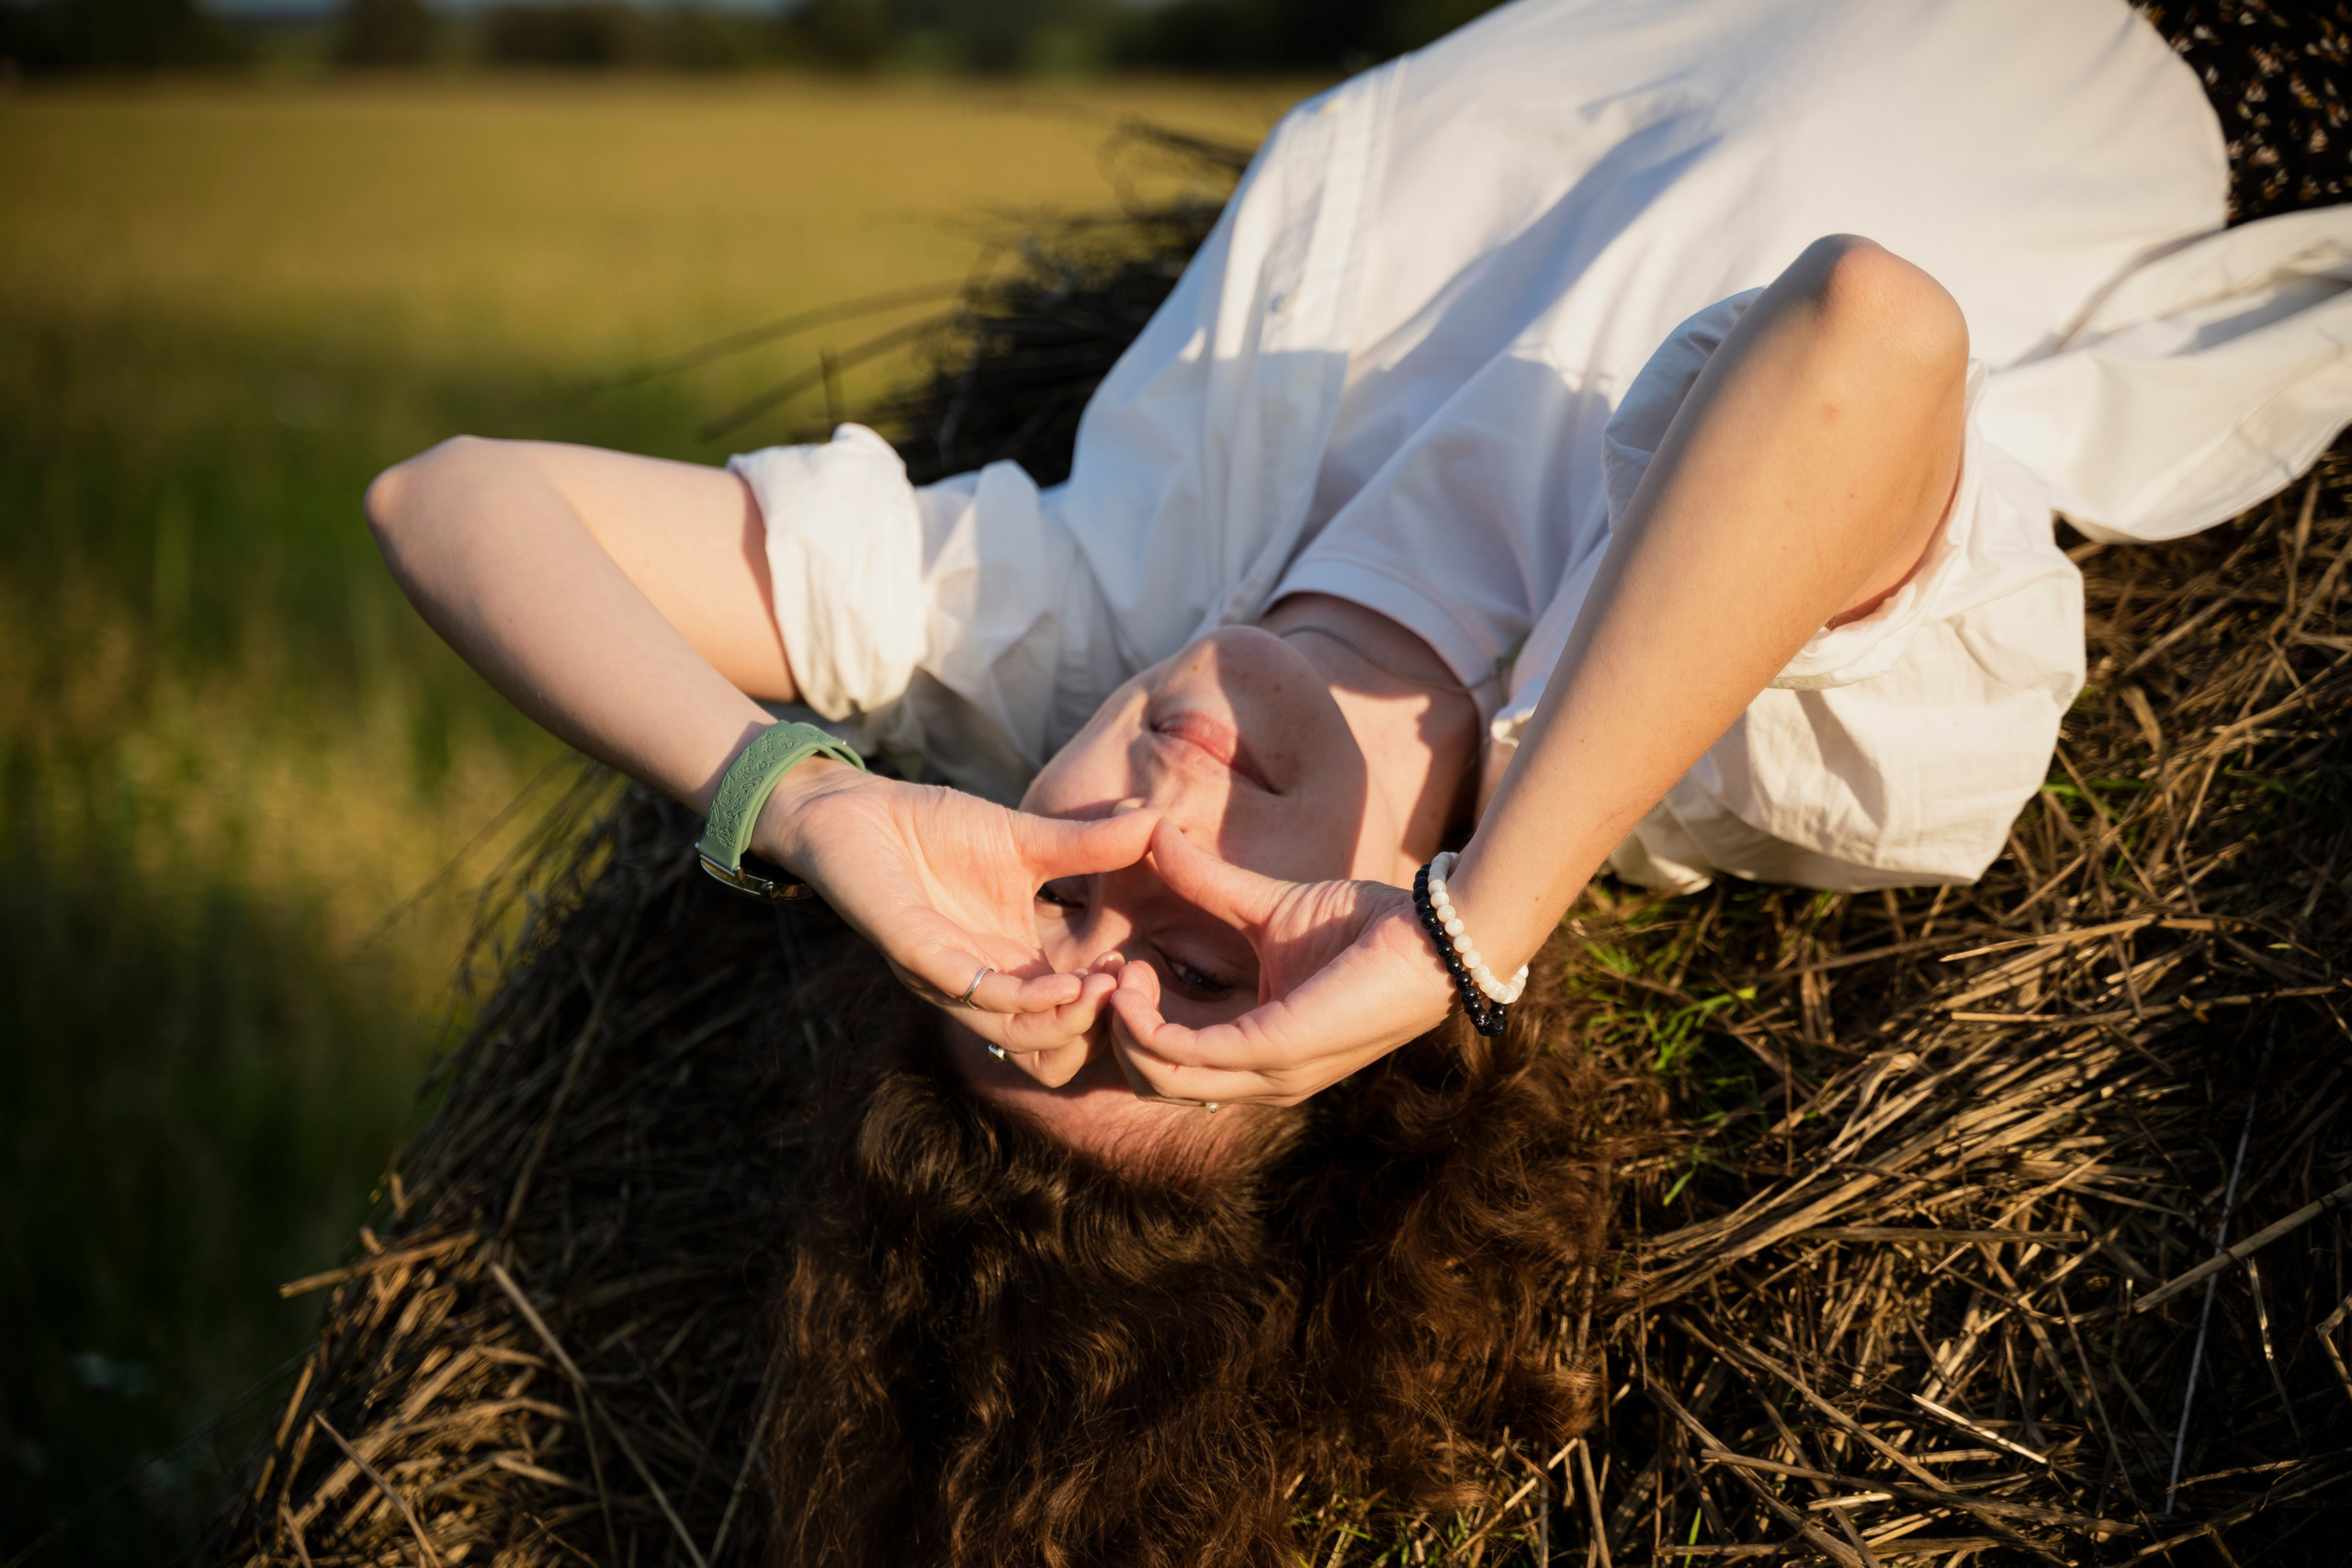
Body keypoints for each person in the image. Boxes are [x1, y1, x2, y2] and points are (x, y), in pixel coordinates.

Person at [368, 0, 2352, 1164]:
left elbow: (443, 496)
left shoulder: (1071, 607)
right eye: (1215, 966)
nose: (1158, 836)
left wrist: (805, 805)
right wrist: (1476, 922)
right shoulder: (1707, 739)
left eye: (1058, 903)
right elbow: (1859, 336)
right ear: (1345, 986)